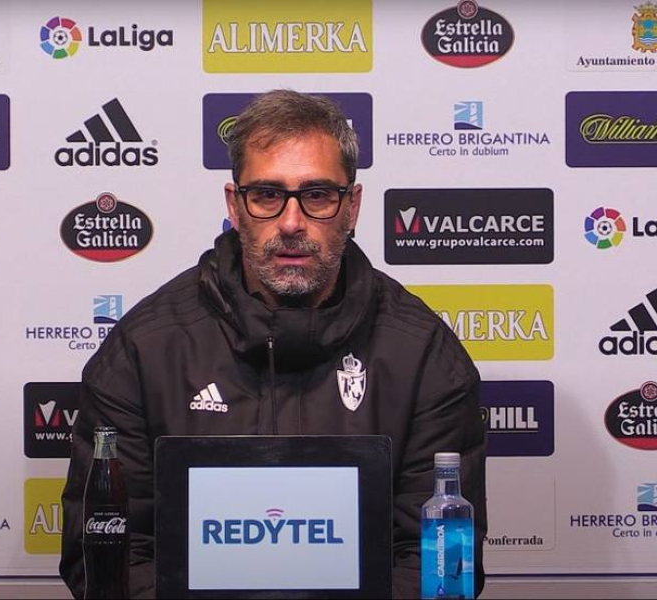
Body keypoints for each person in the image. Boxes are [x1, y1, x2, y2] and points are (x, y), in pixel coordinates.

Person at [60, 89, 487, 599]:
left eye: (317, 195)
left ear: (352, 206)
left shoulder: (424, 356)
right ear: (234, 205)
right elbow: (109, 558)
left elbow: (437, 563)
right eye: (266, 195)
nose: (290, 223)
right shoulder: (144, 350)